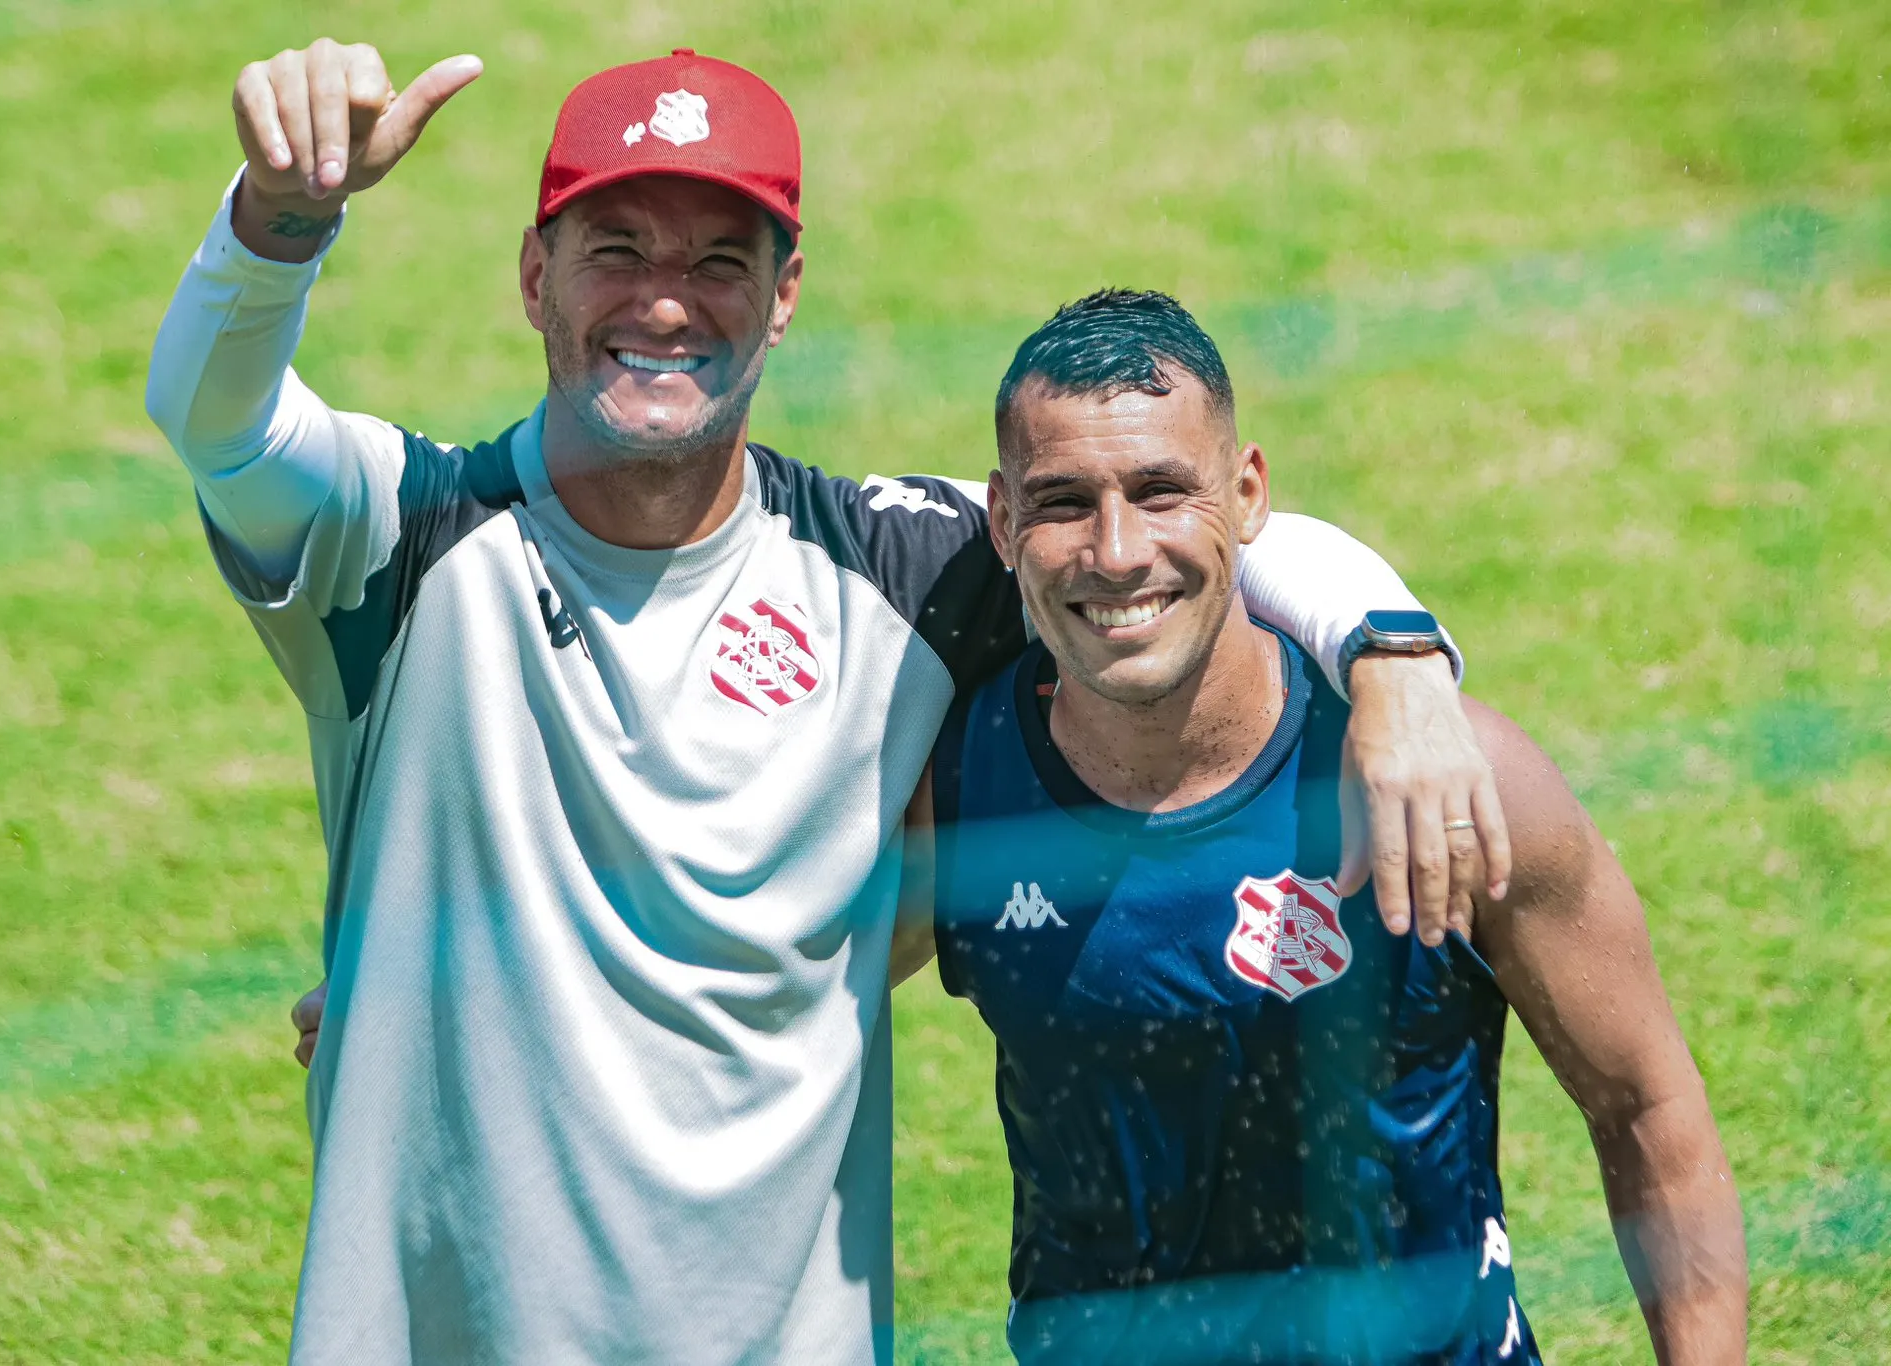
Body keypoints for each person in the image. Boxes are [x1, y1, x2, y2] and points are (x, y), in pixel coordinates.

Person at [150, 38, 1510, 1365]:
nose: (667, 303)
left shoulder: (898, 567)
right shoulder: (401, 537)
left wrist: (1393, 653)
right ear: (533, 275)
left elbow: (1169, 538)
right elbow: (218, 419)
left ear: (785, 293)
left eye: (718, 261)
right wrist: (280, 215)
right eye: (617, 248)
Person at [899, 289, 1747, 1364]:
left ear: (1246, 494)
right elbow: (780, 1008)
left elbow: (1645, 1106)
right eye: (1064, 501)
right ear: (1003, 520)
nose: (1115, 552)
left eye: (1161, 491)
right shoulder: (963, 791)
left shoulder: (1445, 777)